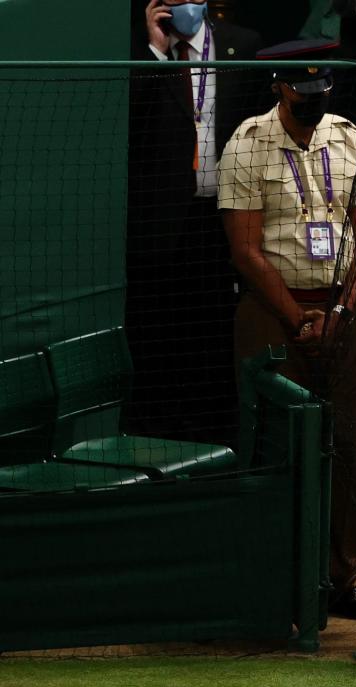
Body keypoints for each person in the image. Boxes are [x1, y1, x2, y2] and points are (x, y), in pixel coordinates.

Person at [217, 41, 356, 620]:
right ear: (278, 87)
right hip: (273, 310)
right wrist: (297, 317)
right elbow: (244, 250)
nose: (312, 101)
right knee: (278, 442)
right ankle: (278, 575)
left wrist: (341, 311)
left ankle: (342, 579)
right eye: (301, 92)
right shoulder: (246, 143)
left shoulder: (351, 139)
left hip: (345, 307)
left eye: (320, 91)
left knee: (350, 443)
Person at [127, 0, 267, 443]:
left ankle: (215, 436)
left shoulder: (242, 45)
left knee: (213, 331)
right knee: (159, 334)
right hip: (163, 222)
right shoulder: (142, 52)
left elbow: (256, 124)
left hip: (222, 214)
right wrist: (156, 51)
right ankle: (159, 436)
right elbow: (130, 120)